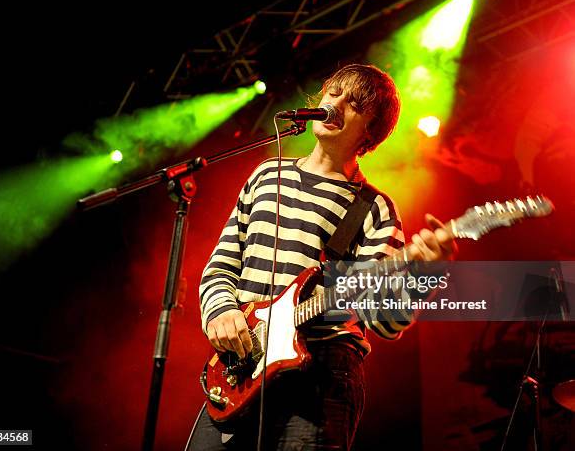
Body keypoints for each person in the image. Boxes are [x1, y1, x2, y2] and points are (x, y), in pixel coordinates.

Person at [188, 64, 457, 450]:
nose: (337, 103)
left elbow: (384, 322)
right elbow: (222, 264)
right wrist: (220, 312)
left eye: (355, 103)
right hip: (241, 370)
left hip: (320, 377)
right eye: (334, 93)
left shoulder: (374, 208)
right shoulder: (266, 175)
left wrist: (425, 272)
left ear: (370, 131)